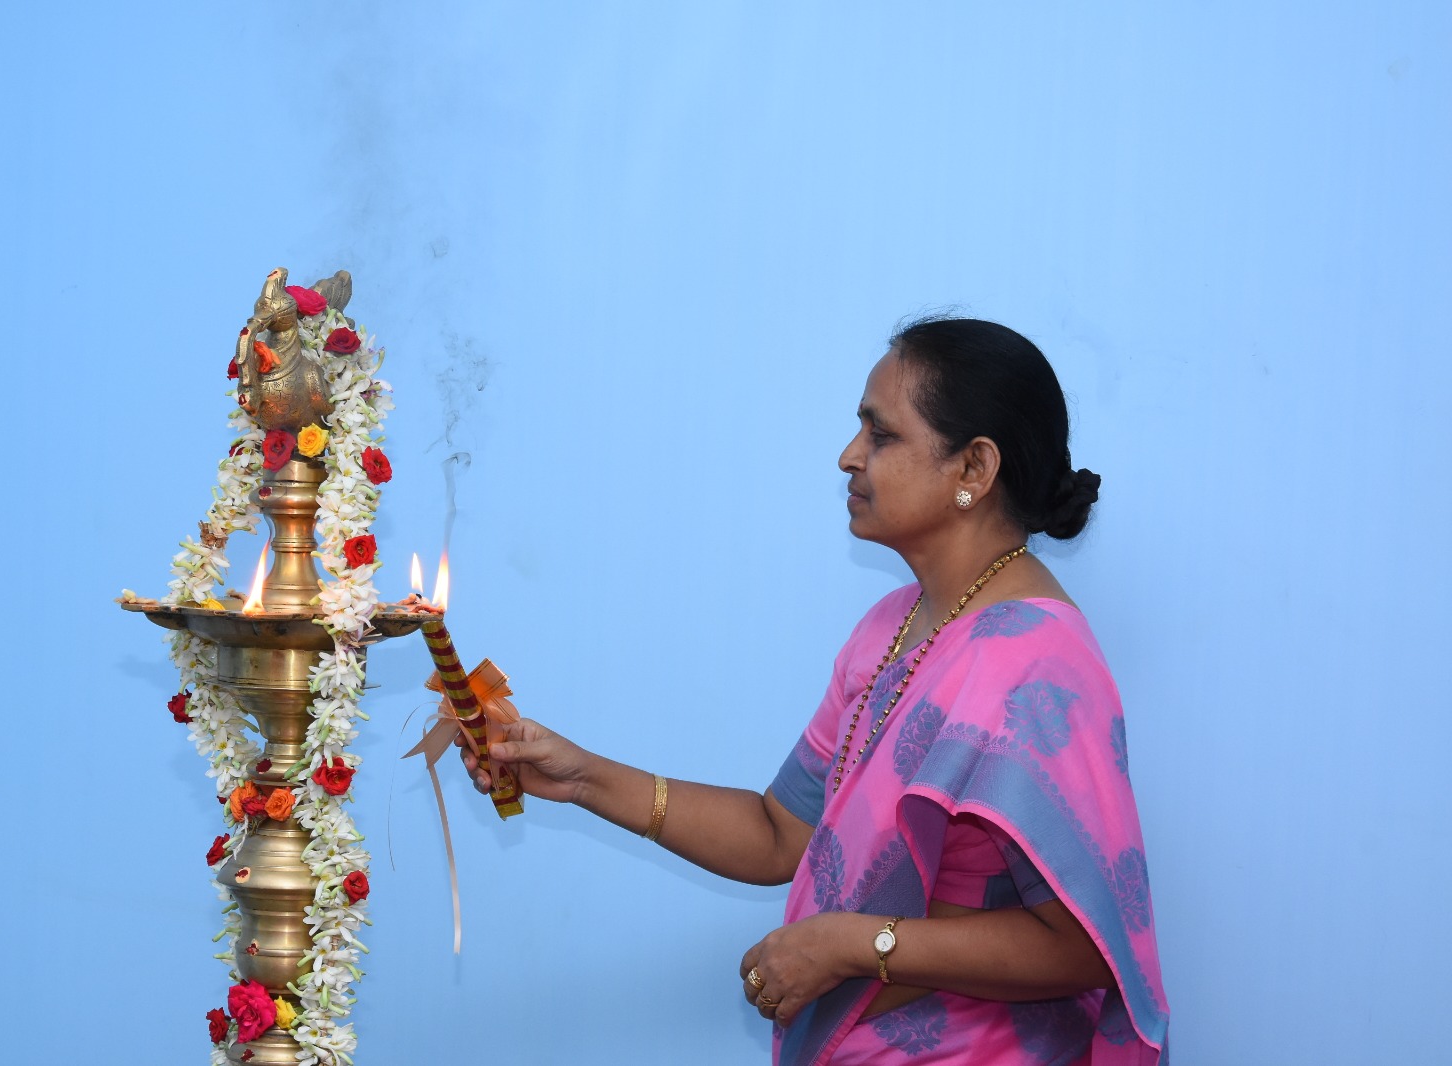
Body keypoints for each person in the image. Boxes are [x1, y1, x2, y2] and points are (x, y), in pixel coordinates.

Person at [458, 317, 1168, 1065]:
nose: (848, 456)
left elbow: (1084, 948)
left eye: (881, 434)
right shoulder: (891, 627)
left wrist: (854, 945)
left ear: (974, 467)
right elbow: (779, 833)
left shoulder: (1037, 665)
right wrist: (582, 779)